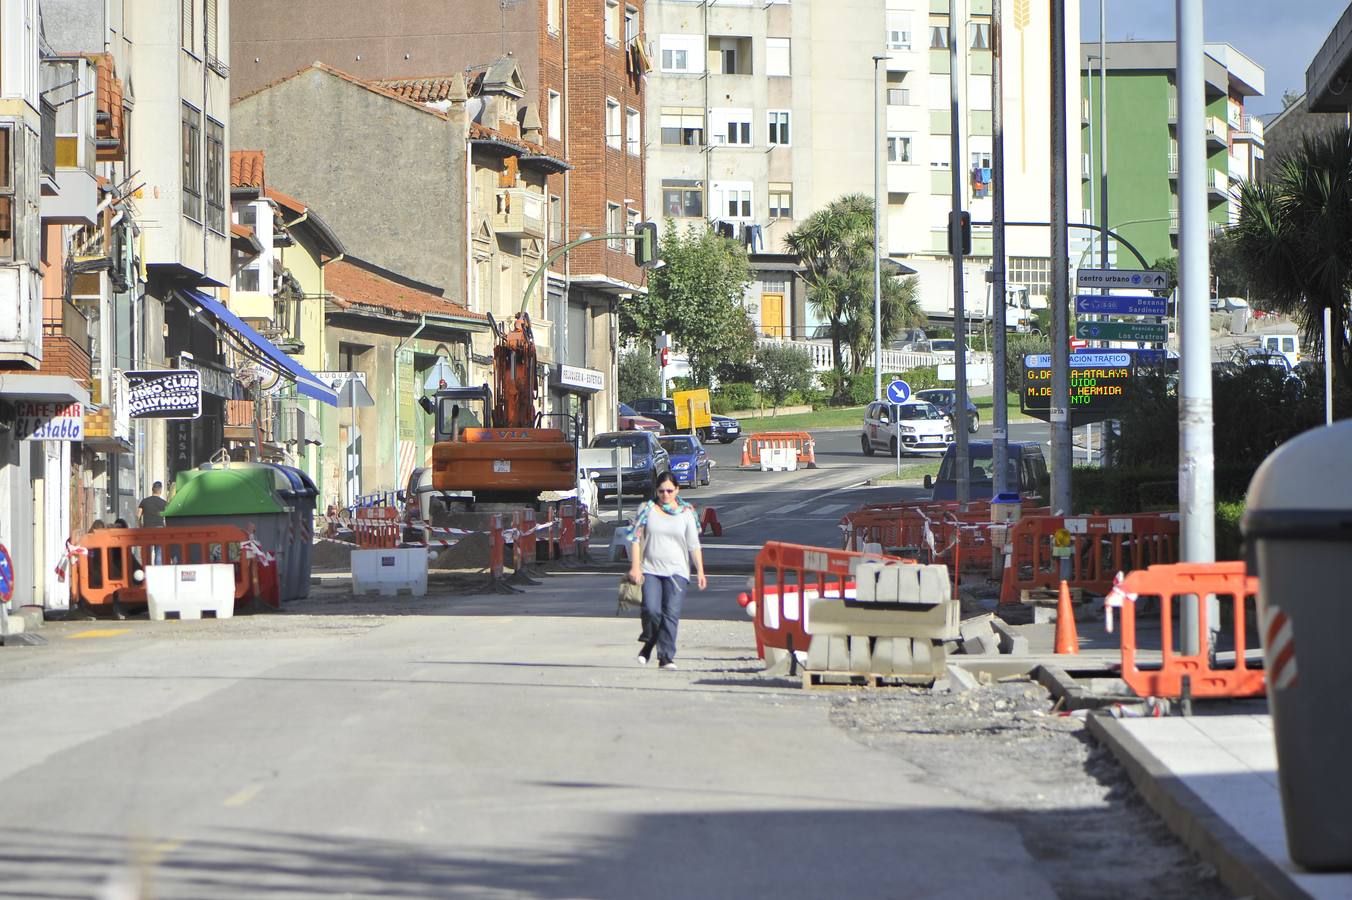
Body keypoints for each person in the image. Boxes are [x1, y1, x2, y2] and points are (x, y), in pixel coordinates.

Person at [627, 471, 706, 669]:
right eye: (661, 491)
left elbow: (694, 545)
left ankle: (666, 657)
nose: (665, 495)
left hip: (678, 572)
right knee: (652, 611)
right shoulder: (646, 509)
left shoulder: (686, 512)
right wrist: (635, 567)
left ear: (677, 490)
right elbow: (635, 539)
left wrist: (701, 572)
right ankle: (649, 642)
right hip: (650, 570)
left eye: (670, 490)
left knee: (670, 614)